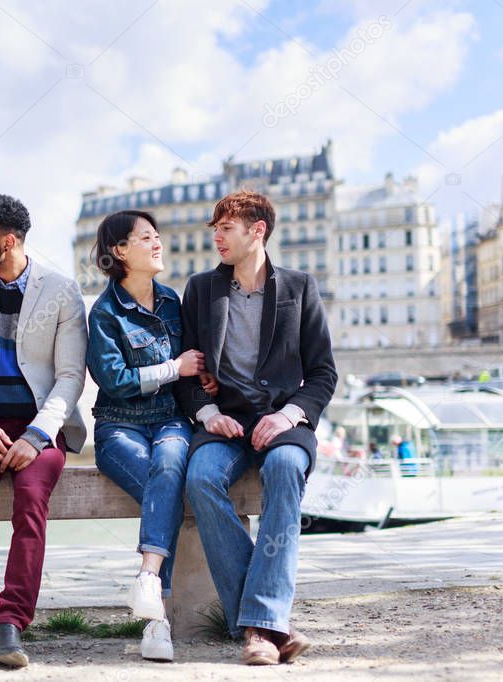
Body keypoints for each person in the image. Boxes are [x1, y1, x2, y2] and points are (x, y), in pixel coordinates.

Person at [176, 190, 337, 666]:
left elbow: (324, 373)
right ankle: (267, 622)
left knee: (286, 467)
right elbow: (188, 373)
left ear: (257, 231)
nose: (217, 237)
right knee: (201, 478)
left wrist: (288, 416)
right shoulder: (201, 289)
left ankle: (257, 627)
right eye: (216, 229)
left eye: (226, 228)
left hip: (283, 421)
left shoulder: (299, 287)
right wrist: (207, 415)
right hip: (223, 420)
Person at [0, 194, 87, 668]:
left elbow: (71, 376)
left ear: (6, 242)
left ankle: (12, 623)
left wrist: (36, 435)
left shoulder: (63, 292)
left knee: (31, 499)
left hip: (42, 427)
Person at [85, 209, 218, 661]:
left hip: (170, 421)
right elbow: (114, 379)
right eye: (146, 237)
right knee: (165, 490)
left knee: (167, 469)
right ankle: (156, 620)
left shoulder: (171, 302)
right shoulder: (104, 313)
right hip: (118, 425)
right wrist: (172, 368)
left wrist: (205, 380)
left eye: (157, 235)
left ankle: (150, 597)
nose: (158, 242)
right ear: (120, 251)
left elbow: (190, 367)